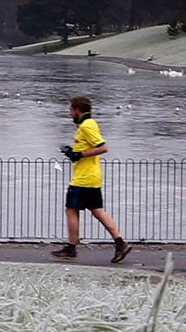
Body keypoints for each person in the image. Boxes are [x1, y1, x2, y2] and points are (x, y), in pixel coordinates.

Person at [53, 95, 131, 263]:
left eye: (71, 110)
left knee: (71, 210)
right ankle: (120, 243)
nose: (69, 113)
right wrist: (72, 152)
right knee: (98, 211)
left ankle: (71, 248)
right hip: (92, 176)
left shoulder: (86, 126)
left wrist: (79, 154)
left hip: (83, 179)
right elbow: (87, 148)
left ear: (77, 110)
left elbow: (102, 147)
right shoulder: (90, 124)